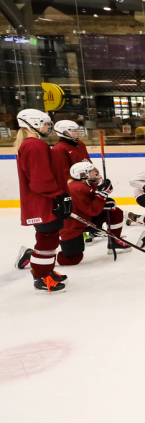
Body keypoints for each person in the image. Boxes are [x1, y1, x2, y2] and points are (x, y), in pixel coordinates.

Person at [13, 109, 72, 293]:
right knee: (46, 239)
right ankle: (40, 276)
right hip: (44, 202)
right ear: (34, 123)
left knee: (50, 237)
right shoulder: (34, 146)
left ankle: (46, 270)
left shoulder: (32, 144)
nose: (48, 127)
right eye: (46, 123)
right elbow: (39, 180)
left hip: (45, 201)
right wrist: (57, 195)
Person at [56, 161, 131, 265]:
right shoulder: (75, 189)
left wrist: (104, 201)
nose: (95, 173)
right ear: (82, 175)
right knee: (72, 259)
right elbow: (92, 210)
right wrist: (102, 196)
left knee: (115, 212)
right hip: (72, 226)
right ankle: (38, 257)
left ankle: (114, 241)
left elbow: (93, 203)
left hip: (86, 218)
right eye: (92, 172)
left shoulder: (89, 184)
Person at [51, 120, 90, 195]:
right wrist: (72, 184)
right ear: (64, 132)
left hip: (87, 180)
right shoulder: (59, 148)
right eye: (73, 131)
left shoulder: (80, 144)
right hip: (75, 185)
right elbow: (63, 171)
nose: (77, 132)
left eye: (76, 130)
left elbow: (86, 161)